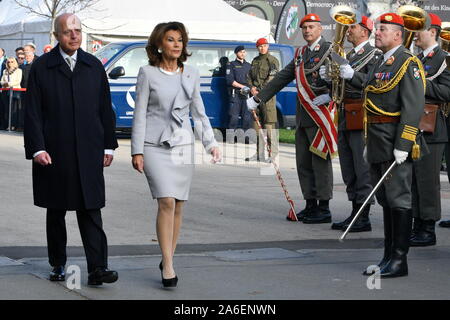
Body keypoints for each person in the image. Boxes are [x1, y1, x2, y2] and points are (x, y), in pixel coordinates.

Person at [23, 13, 119, 286]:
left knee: (91, 209)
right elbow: (32, 113)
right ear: (57, 36)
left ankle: (98, 268)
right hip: (54, 151)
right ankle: (58, 263)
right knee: (56, 210)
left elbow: (104, 108)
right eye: (67, 31)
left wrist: (109, 145)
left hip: (89, 150)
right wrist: (37, 148)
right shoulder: (43, 67)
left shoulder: (92, 66)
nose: (74, 35)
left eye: (77, 30)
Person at [131, 21, 221, 288]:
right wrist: (136, 150)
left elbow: (199, 113)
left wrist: (210, 143)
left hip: (183, 146)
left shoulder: (191, 73)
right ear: (160, 44)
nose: (176, 44)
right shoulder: (147, 73)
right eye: (171, 39)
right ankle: (168, 265)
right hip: (153, 145)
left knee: (179, 204)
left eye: (180, 40)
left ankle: (168, 255)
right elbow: (140, 114)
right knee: (166, 201)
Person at [347, 13, 426, 277]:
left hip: (395, 141)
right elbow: (372, 96)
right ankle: (388, 256)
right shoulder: (382, 61)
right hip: (379, 139)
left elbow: (413, 107)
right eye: (377, 29)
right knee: (385, 200)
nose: (376, 33)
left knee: (399, 198)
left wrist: (404, 142)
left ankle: (399, 261)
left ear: (397, 35)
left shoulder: (408, 63)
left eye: (382, 29)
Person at [248, 13, 335, 224]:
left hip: (320, 115)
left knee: (320, 162)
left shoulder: (329, 50)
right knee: (303, 162)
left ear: (320, 29)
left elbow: (340, 78)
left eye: (311, 27)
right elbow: (282, 78)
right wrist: (259, 98)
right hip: (303, 115)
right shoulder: (300, 53)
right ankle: (310, 204)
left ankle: (324, 207)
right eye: (304, 27)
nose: (307, 31)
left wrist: (330, 94)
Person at [325, 16, 381, 232]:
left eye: (353, 27)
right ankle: (354, 211)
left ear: (365, 31)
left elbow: (375, 83)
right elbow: (341, 83)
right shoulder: (347, 55)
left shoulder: (374, 55)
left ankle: (363, 215)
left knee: (362, 167)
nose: (348, 30)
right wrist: (329, 81)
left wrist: (353, 76)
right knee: (349, 168)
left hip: (361, 115)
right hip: (345, 113)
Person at [412, 13, 450, 236]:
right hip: (416, 125)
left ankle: (427, 228)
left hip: (432, 126)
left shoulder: (443, 59)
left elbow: (446, 92)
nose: (414, 34)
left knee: (427, 180)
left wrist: (418, 83)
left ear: (432, 32)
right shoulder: (420, 59)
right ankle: (418, 223)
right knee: (415, 179)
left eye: (419, 29)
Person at [246, 38, 279, 162]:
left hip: (268, 98)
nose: (262, 48)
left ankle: (273, 154)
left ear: (268, 46)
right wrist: (252, 88)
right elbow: (248, 76)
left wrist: (259, 89)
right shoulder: (255, 61)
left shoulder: (272, 60)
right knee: (257, 128)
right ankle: (259, 154)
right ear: (257, 48)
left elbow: (272, 77)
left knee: (269, 127)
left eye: (264, 46)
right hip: (255, 98)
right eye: (260, 46)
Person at [226, 45, 252, 131]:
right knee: (234, 117)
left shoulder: (248, 65)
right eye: (240, 52)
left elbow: (252, 80)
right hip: (235, 94)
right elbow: (230, 80)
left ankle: (246, 139)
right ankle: (230, 139)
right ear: (236, 53)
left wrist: (250, 89)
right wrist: (243, 87)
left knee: (247, 117)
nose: (242, 54)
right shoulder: (231, 65)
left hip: (246, 94)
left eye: (244, 52)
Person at [0, 57, 22, 131]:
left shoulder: (19, 71)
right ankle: (6, 124)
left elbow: (18, 81)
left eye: (12, 61)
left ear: (15, 62)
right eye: (8, 62)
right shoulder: (4, 71)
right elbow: (1, 81)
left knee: (13, 109)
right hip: (5, 91)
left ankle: (13, 125)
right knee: (6, 108)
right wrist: (4, 84)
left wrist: (8, 84)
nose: (10, 63)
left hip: (14, 91)